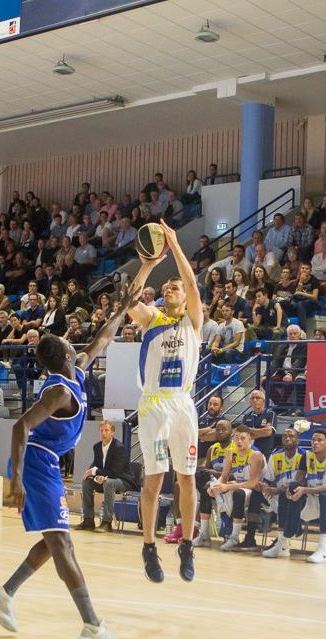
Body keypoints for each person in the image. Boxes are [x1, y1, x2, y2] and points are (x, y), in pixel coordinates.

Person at [0, 281, 135, 639]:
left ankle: (4, 594)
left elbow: (103, 338)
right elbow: (21, 426)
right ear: (66, 354)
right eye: (69, 342)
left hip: (45, 464)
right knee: (62, 544)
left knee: (57, 541)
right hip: (36, 464)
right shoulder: (59, 391)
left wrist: (124, 307)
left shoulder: (76, 372)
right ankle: (92, 625)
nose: (73, 341)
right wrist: (16, 479)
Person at [125, 219, 205, 583]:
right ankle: (148, 547)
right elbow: (128, 301)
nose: (171, 288)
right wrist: (149, 264)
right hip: (154, 404)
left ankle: (187, 546)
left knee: (186, 480)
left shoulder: (193, 321)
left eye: (176, 286)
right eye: (166, 286)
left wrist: (174, 245)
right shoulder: (151, 318)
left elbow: (191, 282)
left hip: (182, 404)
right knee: (154, 482)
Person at [264, 429, 326, 563]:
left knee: (325, 496)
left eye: (319, 440)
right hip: (314, 498)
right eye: (313, 440)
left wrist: (303, 490)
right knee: (289, 491)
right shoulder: (307, 456)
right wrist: (289, 490)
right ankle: (283, 544)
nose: (315, 443)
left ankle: (323, 548)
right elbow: (297, 482)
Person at [200, 425, 267, 552]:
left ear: (250, 439)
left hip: (257, 491)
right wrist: (215, 486)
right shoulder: (231, 453)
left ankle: (234, 537)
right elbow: (224, 477)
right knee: (207, 489)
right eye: (236, 438)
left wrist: (227, 486)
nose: (239, 441)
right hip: (238, 485)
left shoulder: (256, 455)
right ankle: (204, 535)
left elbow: (253, 483)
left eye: (243, 438)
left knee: (238, 493)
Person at [79, 420, 136, 533]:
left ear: (112, 432)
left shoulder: (119, 448)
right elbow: (96, 466)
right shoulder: (97, 447)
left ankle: (106, 522)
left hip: (123, 481)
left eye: (107, 430)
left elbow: (115, 473)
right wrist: (95, 477)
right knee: (87, 482)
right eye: (101, 430)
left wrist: (97, 473)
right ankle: (88, 520)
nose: (103, 433)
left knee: (109, 482)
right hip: (107, 479)